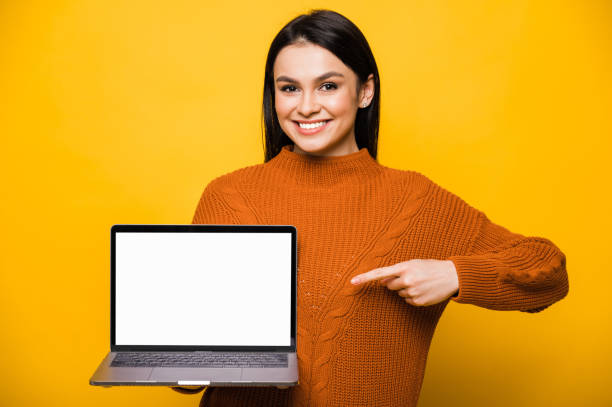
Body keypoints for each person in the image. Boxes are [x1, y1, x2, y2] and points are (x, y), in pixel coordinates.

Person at [171, 9, 569, 407]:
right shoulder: (228, 196)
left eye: (327, 86)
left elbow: (549, 269)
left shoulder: (416, 200)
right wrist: (185, 365)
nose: (306, 106)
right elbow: (191, 373)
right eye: (289, 88)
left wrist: (454, 274)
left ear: (365, 91)